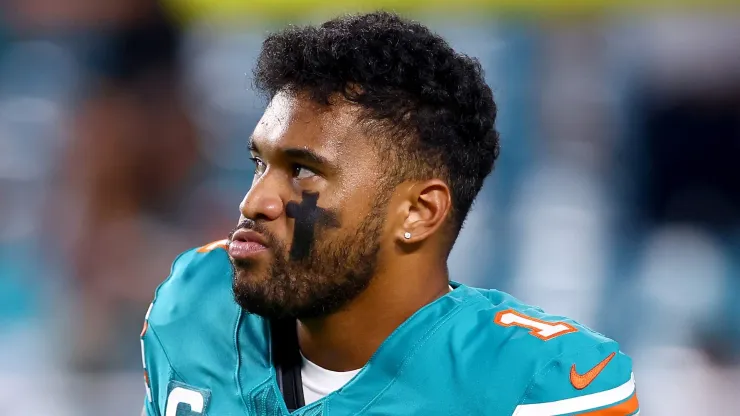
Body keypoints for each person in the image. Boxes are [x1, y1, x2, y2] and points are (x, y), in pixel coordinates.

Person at [141, 11, 639, 416]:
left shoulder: (539, 381)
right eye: (259, 164)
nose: (254, 203)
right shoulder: (195, 300)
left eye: (303, 172)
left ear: (420, 212)